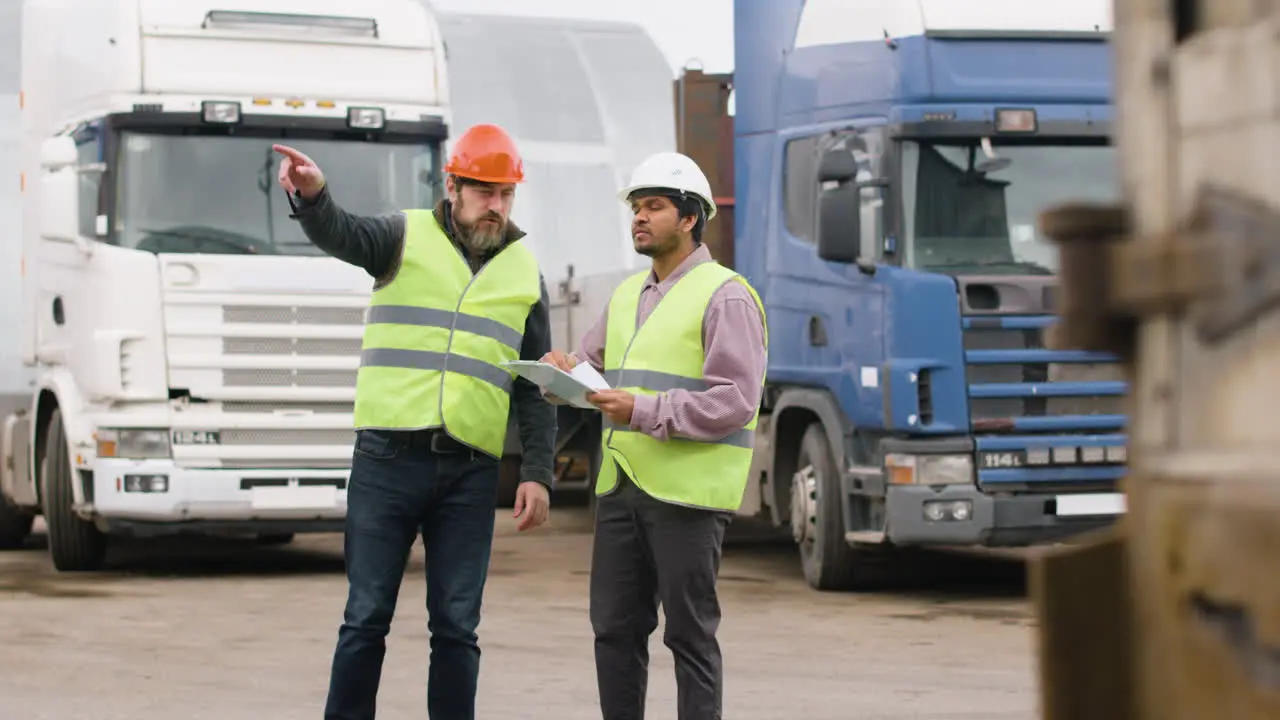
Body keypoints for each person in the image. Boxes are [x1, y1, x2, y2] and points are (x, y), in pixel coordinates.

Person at [272, 123, 557, 720]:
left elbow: (536, 385)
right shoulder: (403, 235)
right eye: (484, 191)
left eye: (506, 194)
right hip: (387, 461)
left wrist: (536, 472)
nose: (496, 206)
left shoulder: (525, 272)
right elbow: (342, 233)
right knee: (366, 617)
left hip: (471, 472)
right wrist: (313, 197)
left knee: (457, 627)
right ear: (452, 185)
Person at [542, 152, 768, 720]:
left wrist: (643, 409)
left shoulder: (727, 296)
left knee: (689, 639)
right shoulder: (625, 296)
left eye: (655, 207)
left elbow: (736, 401)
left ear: (690, 218)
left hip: (687, 497)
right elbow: (588, 368)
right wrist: (558, 373)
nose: (639, 218)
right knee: (614, 632)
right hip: (621, 489)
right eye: (637, 208)